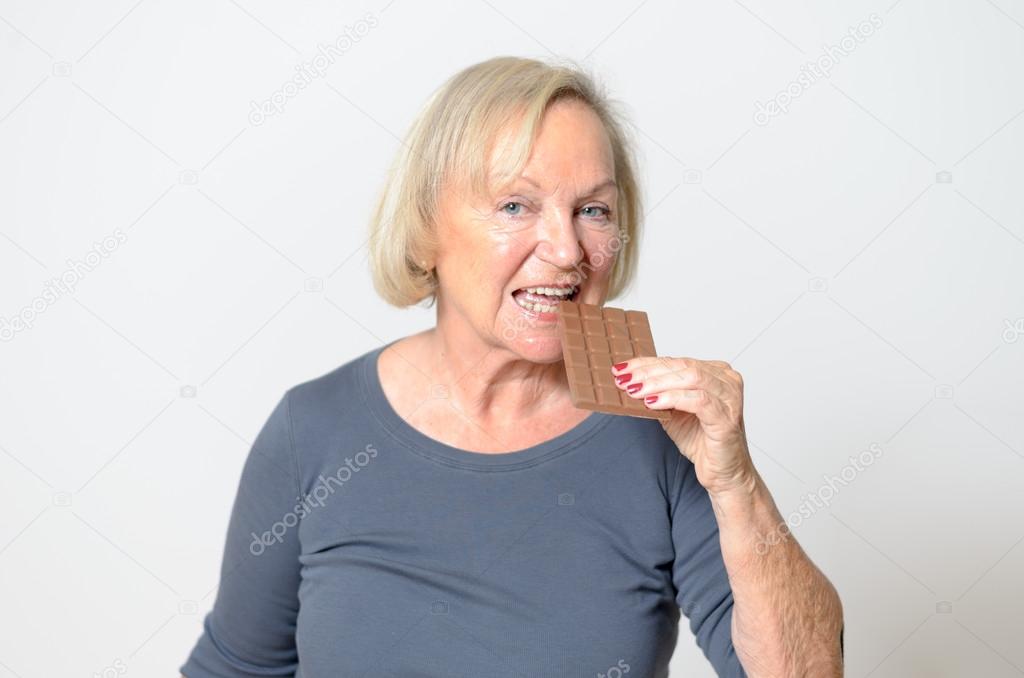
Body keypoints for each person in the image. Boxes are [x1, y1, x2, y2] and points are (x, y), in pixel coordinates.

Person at [180, 55, 844, 678]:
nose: (565, 249)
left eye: (592, 210)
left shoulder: (662, 430)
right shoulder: (313, 429)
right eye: (515, 205)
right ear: (426, 229)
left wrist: (735, 483)